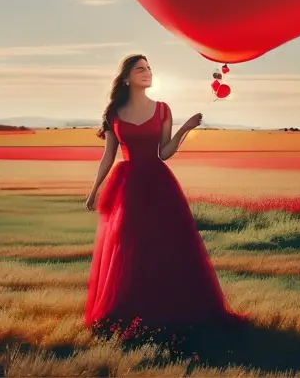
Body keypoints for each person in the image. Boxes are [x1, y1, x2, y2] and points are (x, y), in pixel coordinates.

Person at [83, 53, 242, 336]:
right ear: (126, 77)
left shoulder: (163, 109)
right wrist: (94, 190)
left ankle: (170, 312)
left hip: (158, 184)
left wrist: (186, 128)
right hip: (128, 185)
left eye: (149, 68)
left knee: (164, 246)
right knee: (130, 248)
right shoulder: (113, 114)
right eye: (140, 69)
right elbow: (108, 156)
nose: (147, 73)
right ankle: (128, 313)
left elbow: (163, 153)